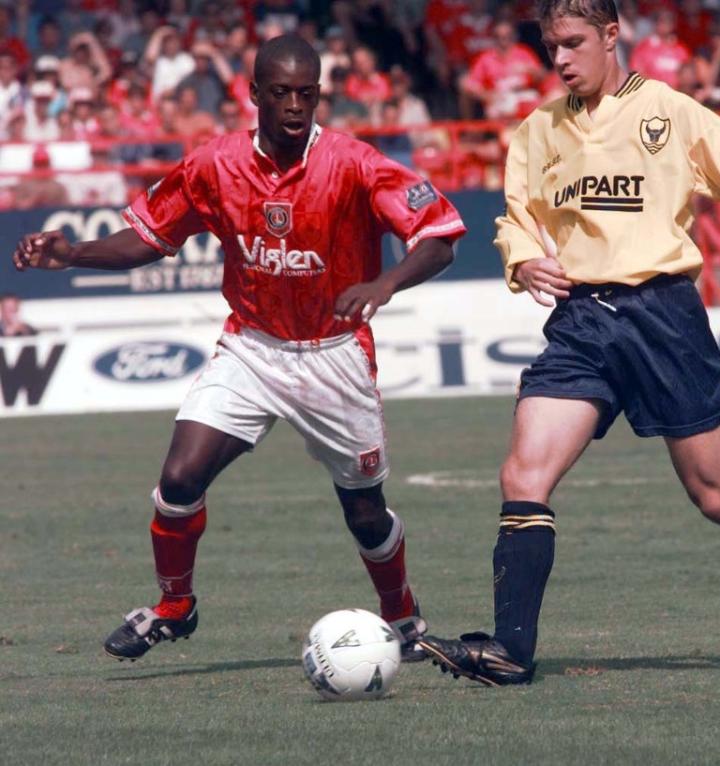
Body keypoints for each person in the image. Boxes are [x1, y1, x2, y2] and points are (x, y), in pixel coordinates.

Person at [419, 0, 720, 687]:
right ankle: (510, 651)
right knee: (523, 476)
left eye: (572, 44)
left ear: (610, 36)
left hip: (663, 316)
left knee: (716, 496)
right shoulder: (538, 131)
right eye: (551, 48)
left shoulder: (673, 113)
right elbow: (514, 218)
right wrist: (521, 258)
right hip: (581, 322)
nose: (561, 60)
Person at [11, 35, 466, 663]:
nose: (295, 106)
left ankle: (403, 616)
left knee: (365, 513)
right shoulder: (214, 165)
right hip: (251, 348)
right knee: (178, 480)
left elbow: (440, 236)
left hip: (334, 355)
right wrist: (72, 254)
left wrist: (385, 282)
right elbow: (150, 237)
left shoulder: (356, 163)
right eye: (280, 93)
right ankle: (174, 607)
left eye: (307, 94)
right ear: (254, 94)